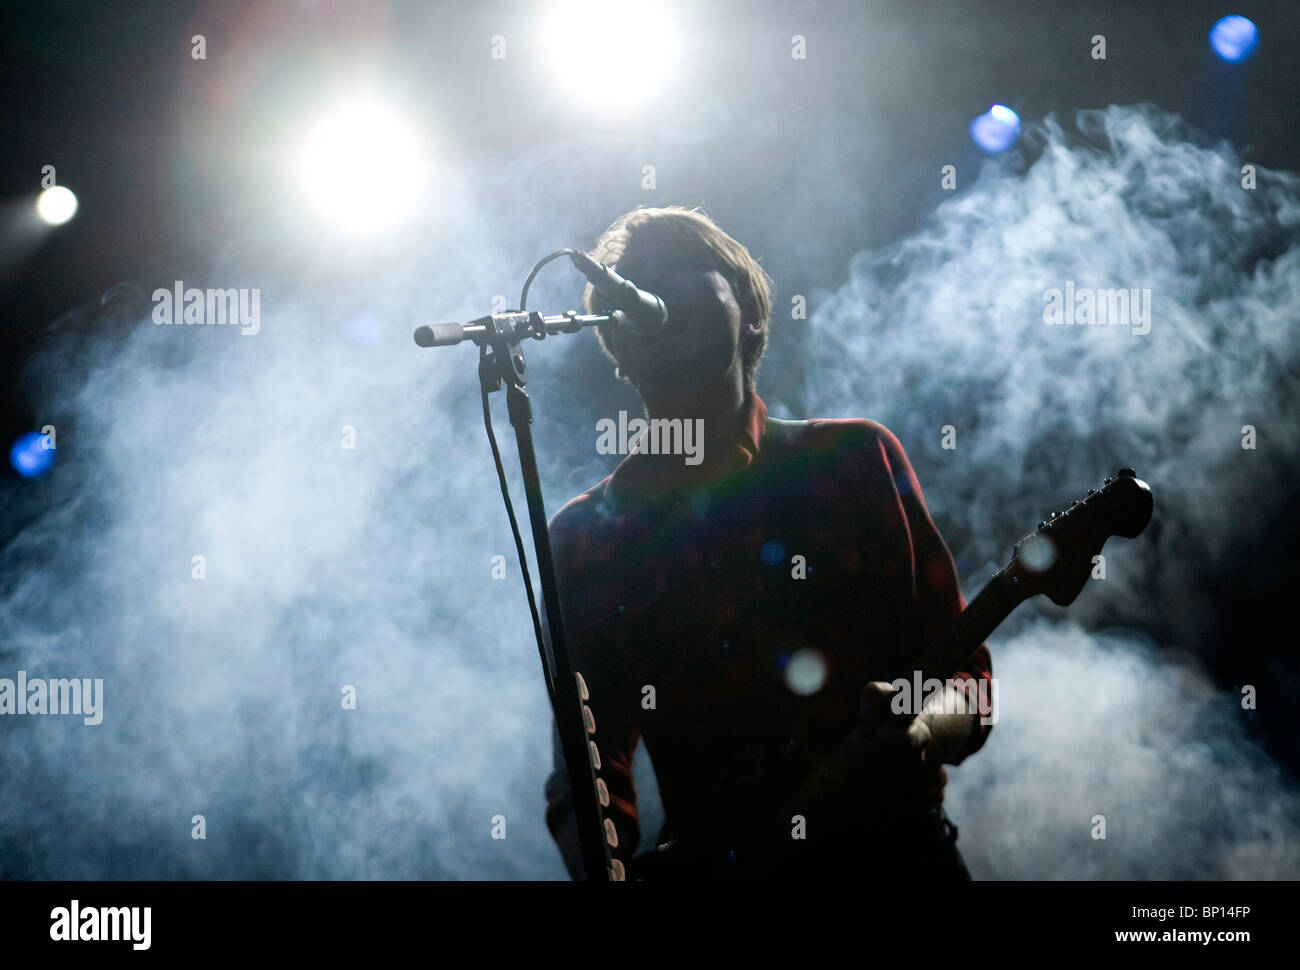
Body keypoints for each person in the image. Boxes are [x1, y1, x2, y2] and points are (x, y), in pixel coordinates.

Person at [542, 205, 993, 880]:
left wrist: (921, 729)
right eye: (631, 279)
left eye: (677, 266)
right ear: (620, 349)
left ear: (750, 311)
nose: (646, 288)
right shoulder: (587, 539)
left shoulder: (853, 459)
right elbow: (585, 768)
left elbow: (969, 686)